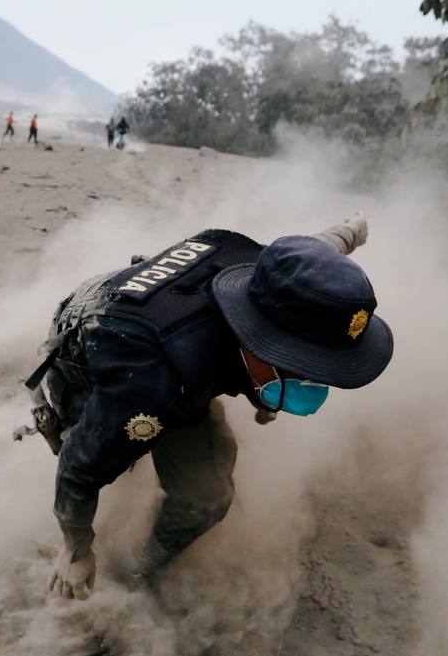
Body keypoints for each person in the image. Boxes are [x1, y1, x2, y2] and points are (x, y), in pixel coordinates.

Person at [23, 215, 392, 599]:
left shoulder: (277, 280)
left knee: (206, 497)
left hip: (160, 335)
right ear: (259, 344)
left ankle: (140, 564)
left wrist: (351, 231)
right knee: (112, 449)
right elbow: (78, 470)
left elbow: (316, 257)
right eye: (306, 366)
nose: (316, 379)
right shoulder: (156, 383)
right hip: (92, 352)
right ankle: (123, 576)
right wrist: (75, 548)